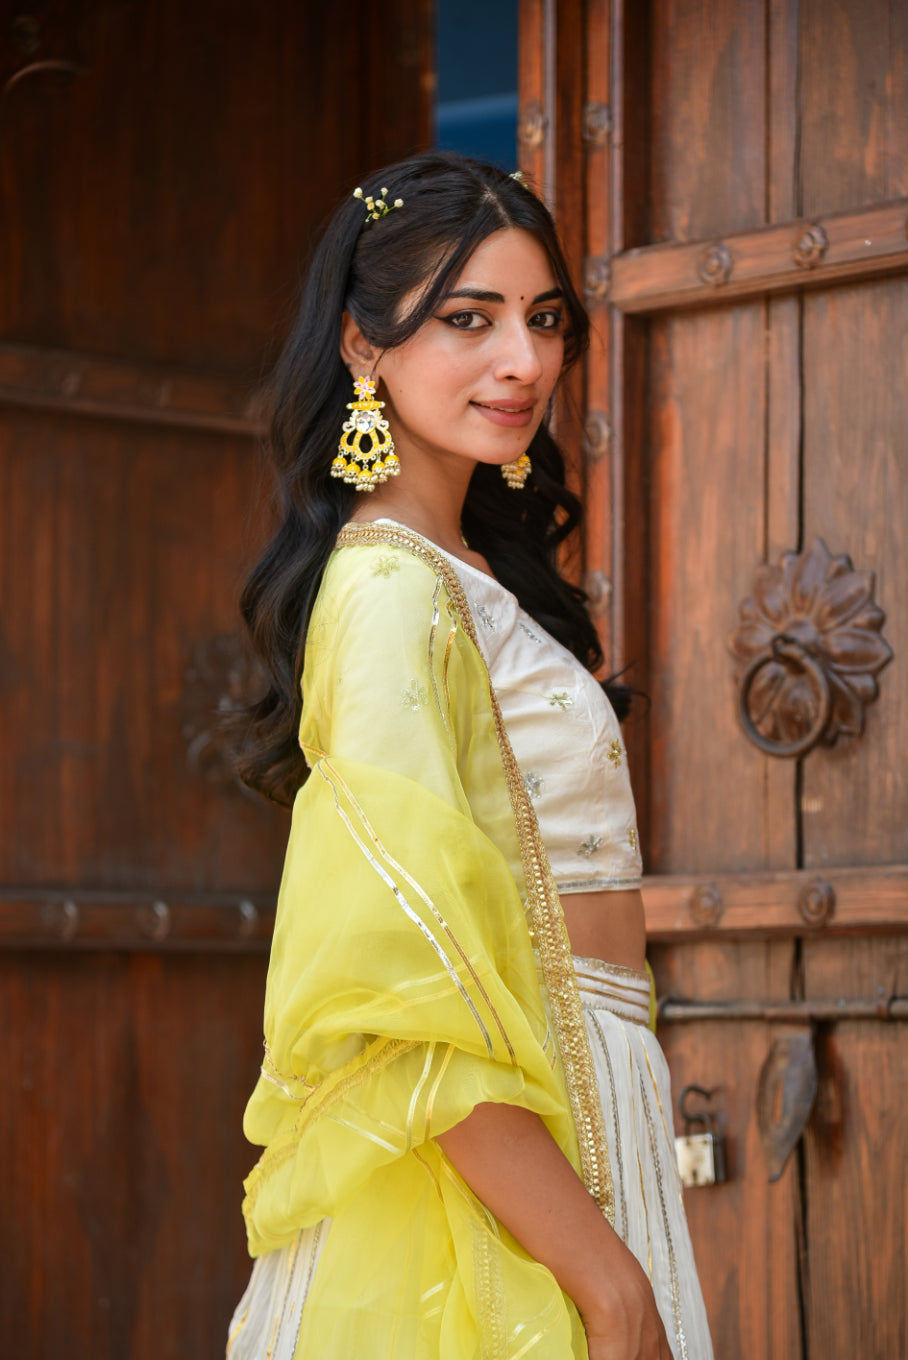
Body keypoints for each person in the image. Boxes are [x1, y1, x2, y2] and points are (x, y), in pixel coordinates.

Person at [225, 151, 713, 1360]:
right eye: (467, 318)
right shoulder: (389, 590)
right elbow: (404, 999)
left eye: (542, 320)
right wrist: (606, 1282)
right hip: (508, 1145)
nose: (523, 360)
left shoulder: (472, 575)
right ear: (363, 344)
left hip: (588, 1092)